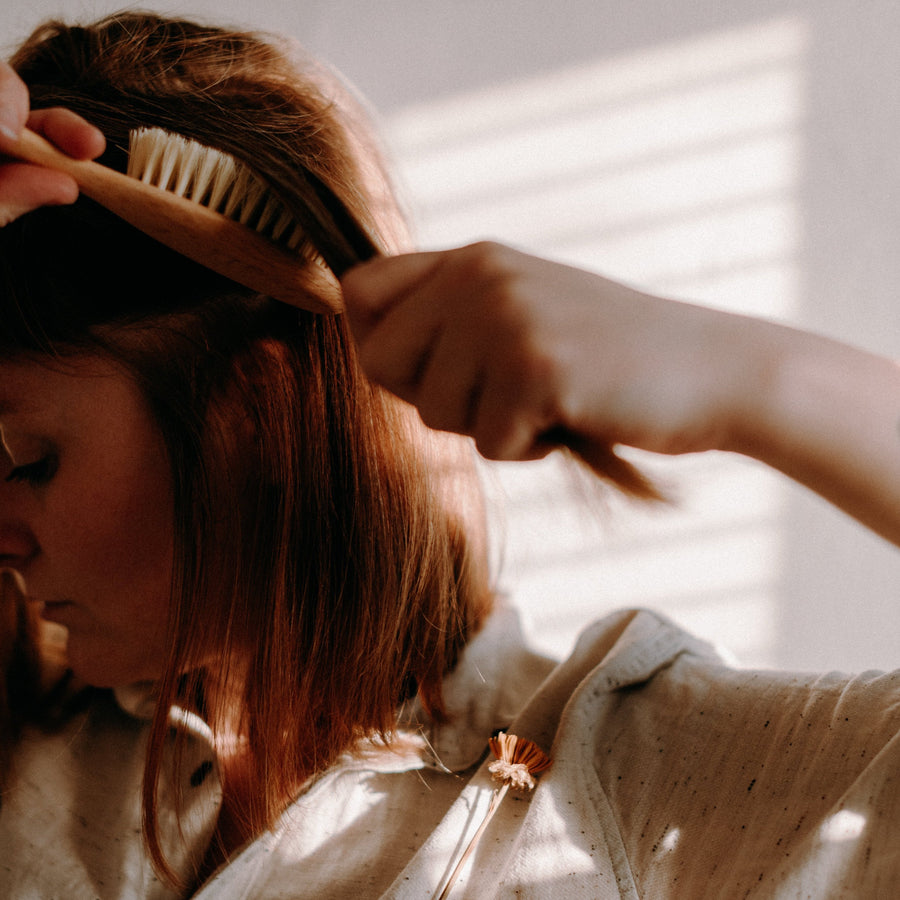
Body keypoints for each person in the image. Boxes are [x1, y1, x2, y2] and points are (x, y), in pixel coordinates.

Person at [2, 11, 900, 900]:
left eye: (24, 459)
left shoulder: (619, 780)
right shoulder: (33, 734)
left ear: (253, 418)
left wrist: (760, 382)